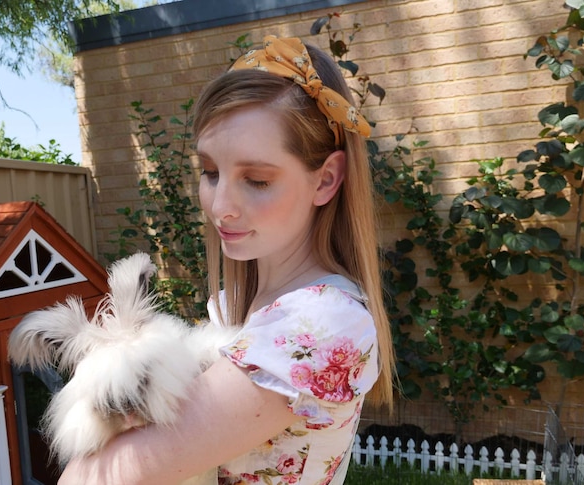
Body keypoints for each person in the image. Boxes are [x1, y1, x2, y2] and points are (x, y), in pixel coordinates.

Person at [59, 34, 395, 485]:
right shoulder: (236, 306)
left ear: (326, 179)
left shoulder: (321, 325)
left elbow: (94, 476)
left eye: (256, 179)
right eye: (211, 172)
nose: (220, 207)